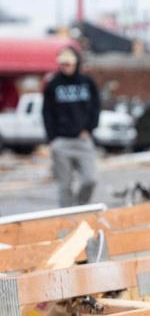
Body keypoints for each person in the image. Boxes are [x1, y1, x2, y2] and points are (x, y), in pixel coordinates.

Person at [42, 47, 101, 207]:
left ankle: (80, 207)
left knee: (90, 180)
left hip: (83, 140)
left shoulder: (87, 83)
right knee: (65, 186)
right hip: (61, 142)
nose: (66, 67)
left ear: (76, 63)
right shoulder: (53, 85)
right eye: (63, 64)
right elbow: (47, 113)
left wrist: (89, 129)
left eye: (69, 64)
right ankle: (67, 221)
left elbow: (96, 108)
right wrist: (52, 139)